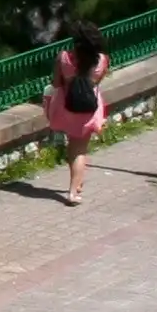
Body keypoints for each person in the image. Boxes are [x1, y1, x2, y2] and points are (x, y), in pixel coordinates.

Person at [45, 23, 111, 206]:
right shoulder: (102, 60)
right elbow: (98, 81)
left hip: (67, 108)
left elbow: (56, 84)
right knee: (79, 150)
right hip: (89, 109)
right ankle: (74, 191)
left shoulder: (64, 58)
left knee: (73, 150)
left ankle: (76, 184)